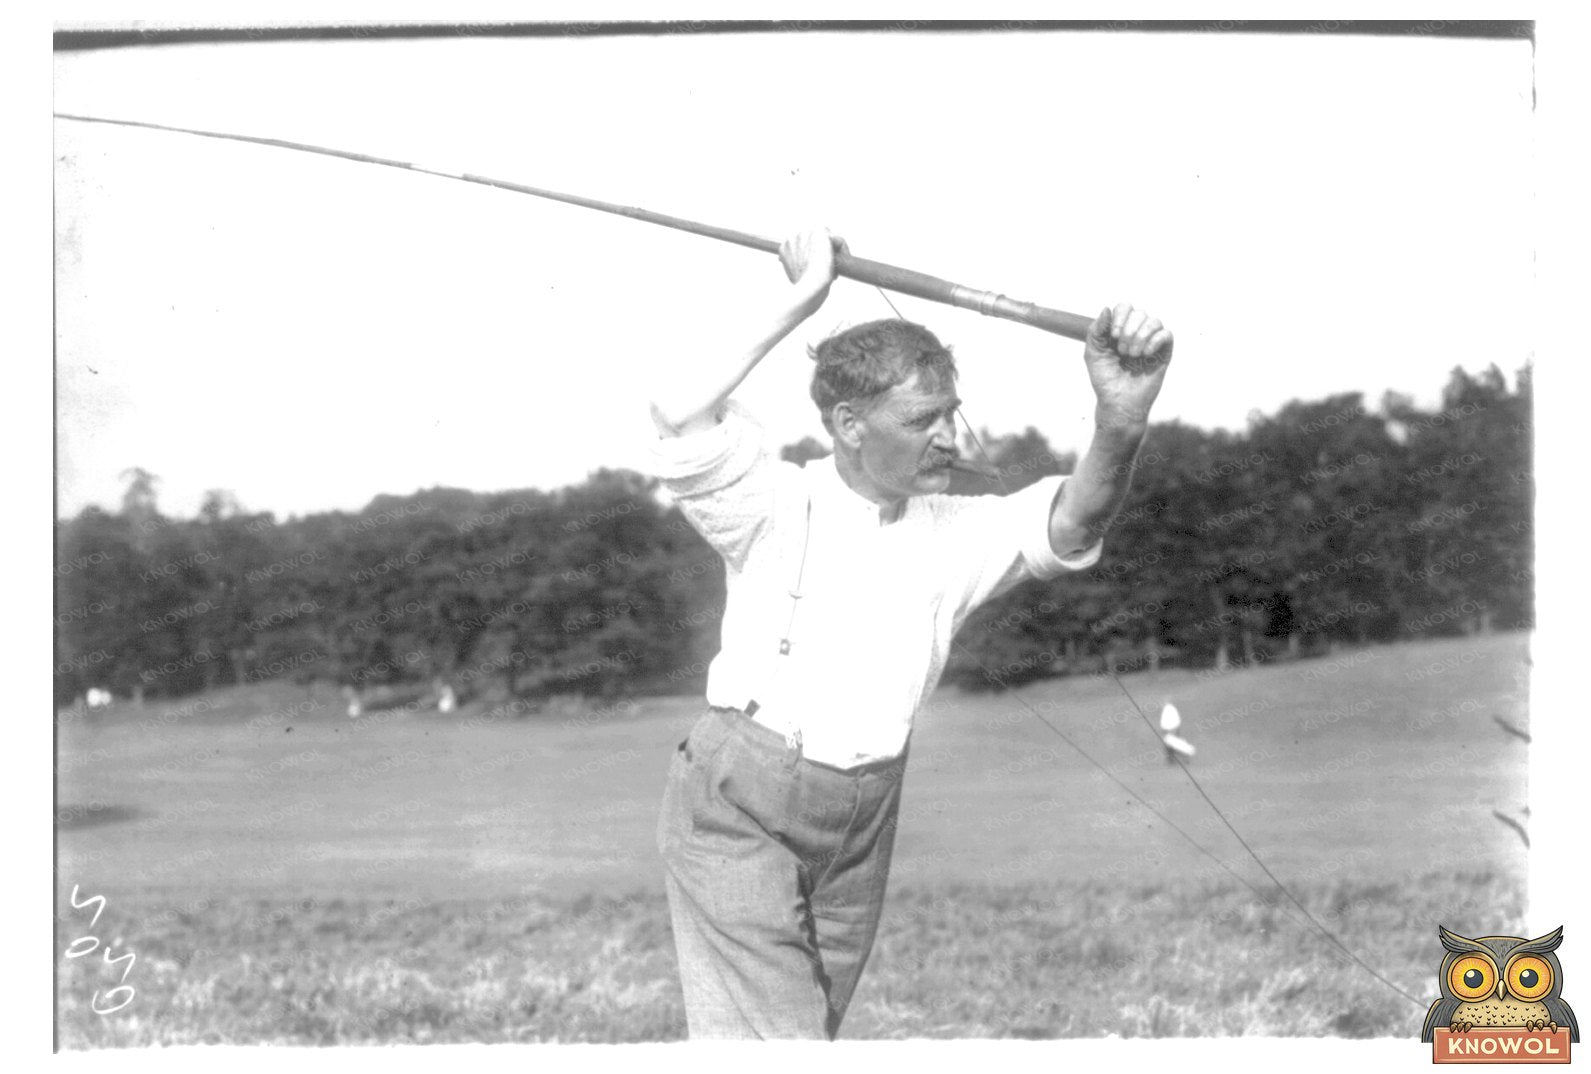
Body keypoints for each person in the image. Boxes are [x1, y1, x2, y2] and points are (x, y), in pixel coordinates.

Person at [645, 227, 1173, 1039]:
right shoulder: (774, 502)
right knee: (775, 1045)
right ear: (849, 424)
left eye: (950, 415)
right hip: (739, 801)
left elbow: (1073, 519)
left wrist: (1121, 418)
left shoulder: (956, 526)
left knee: (806, 1032)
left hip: (862, 814)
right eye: (924, 418)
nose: (949, 438)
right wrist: (801, 296)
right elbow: (677, 409)